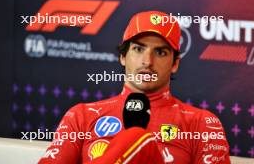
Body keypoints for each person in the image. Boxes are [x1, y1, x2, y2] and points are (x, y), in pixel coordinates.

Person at [38, 11, 231, 164]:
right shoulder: (81, 116)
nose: (147, 61)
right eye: (139, 49)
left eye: (161, 52)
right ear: (123, 56)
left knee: (138, 139)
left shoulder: (202, 123)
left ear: (175, 63)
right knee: (137, 138)